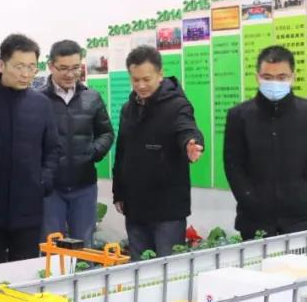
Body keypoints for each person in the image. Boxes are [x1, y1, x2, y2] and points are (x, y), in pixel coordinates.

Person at [112, 46, 204, 257]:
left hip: (167, 210)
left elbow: (187, 129)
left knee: (168, 268)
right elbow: (122, 152)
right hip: (135, 207)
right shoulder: (128, 109)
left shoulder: (177, 105)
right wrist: (119, 192)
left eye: (147, 79)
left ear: (160, 74)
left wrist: (191, 143)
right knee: (139, 268)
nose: (141, 85)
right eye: (135, 80)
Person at [0, 34, 61, 263]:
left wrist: (44, 181)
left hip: (28, 208)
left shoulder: (41, 104)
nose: (26, 74)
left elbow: (52, 148)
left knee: (26, 273)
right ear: (1, 65)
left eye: (32, 67)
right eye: (19, 66)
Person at [224, 45, 307, 237]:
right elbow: (233, 165)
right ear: (258, 77)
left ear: (292, 77)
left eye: (282, 77)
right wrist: (250, 200)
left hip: (301, 220)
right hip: (254, 221)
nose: (275, 83)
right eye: (268, 77)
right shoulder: (239, 116)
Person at [40, 40, 114, 248]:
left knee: (84, 248)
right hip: (51, 189)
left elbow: (107, 133)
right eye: (63, 68)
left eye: (75, 68)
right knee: (52, 248)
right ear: (51, 66)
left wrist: (93, 151)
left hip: (84, 186)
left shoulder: (92, 97)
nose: (70, 74)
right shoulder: (39, 100)